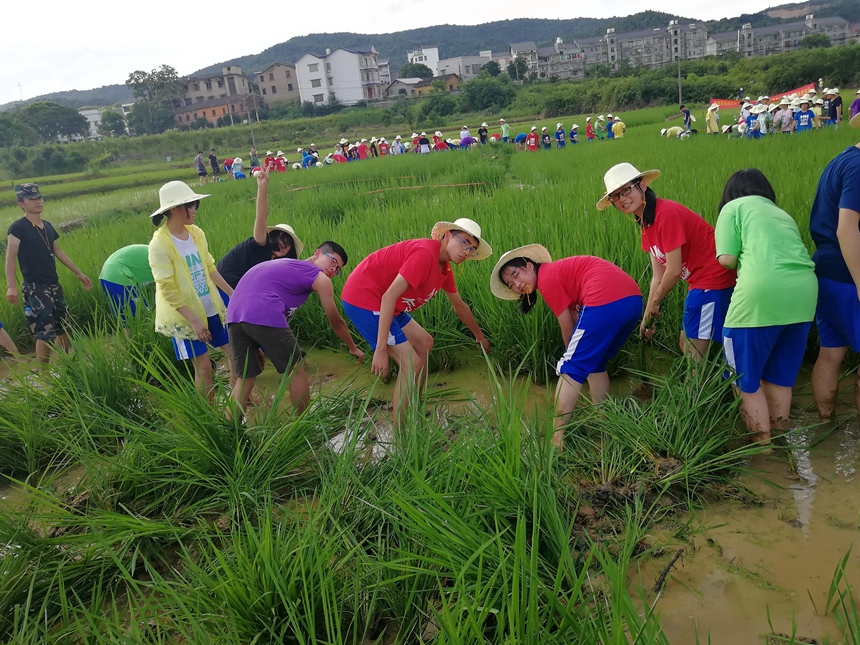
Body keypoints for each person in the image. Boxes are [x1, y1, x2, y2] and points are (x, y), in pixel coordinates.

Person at [340, 218, 492, 427]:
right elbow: (388, 296)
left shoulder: (444, 269)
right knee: (411, 363)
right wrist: (381, 349)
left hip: (389, 304)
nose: (467, 251)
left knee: (425, 343)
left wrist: (480, 336)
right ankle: (402, 437)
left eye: (472, 249)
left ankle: (414, 406)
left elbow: (460, 307)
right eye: (464, 242)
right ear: (447, 235)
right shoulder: (424, 254)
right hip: (364, 299)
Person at [490, 245, 641, 450]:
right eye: (511, 284)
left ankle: (556, 439)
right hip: (632, 301)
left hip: (605, 298)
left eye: (516, 275)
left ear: (528, 266)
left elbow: (567, 325)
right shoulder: (557, 273)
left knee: (571, 367)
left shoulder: (548, 278)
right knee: (596, 364)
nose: (517, 284)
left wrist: (572, 359)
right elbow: (576, 317)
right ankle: (606, 423)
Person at [715, 169, 817, 446]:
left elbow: (725, 259)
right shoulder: (781, 212)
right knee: (780, 378)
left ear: (729, 194)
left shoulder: (731, 208)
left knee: (744, 381)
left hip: (760, 296)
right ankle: (782, 443)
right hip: (804, 295)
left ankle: (763, 451)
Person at [597, 163, 735, 360]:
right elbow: (658, 275)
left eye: (626, 189)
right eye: (615, 196)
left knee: (693, 350)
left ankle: (697, 390)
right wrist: (646, 318)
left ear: (642, 185)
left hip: (713, 279)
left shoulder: (666, 214)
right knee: (689, 345)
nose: (622, 199)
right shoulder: (646, 223)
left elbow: (673, 270)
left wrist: (656, 304)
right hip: (700, 283)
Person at [227, 242, 364, 414]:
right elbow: (336, 322)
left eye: (338, 270)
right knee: (296, 369)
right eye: (333, 262)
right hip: (261, 311)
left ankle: (229, 432)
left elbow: (253, 302)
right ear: (317, 253)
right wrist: (353, 348)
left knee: (244, 380)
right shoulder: (318, 277)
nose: (333, 270)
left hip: (235, 315)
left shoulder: (290, 267)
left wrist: (255, 343)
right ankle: (303, 424)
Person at [148, 181, 234, 402]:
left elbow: (210, 268)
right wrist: (194, 322)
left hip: (210, 307)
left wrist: (233, 294)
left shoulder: (196, 233)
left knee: (235, 354)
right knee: (204, 368)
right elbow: (167, 288)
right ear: (175, 209)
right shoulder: (159, 244)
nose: (195, 209)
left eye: (195, 204)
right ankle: (210, 415)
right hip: (185, 317)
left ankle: (242, 398)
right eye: (191, 205)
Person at [5, 183, 92, 363]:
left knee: (64, 326)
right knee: (44, 332)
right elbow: (10, 258)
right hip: (34, 286)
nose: (38, 201)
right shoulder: (17, 228)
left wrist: (79, 273)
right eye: (32, 199)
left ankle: (69, 364)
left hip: (53, 283)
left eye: (39, 198)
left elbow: (58, 252)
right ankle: (44, 376)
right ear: (21, 203)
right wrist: (11, 286)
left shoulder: (47, 226)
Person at [809, 113, 860, 418]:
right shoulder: (858, 167)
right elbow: (846, 228)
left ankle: (825, 429)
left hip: (826, 273)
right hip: (847, 276)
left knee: (831, 354)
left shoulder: (842, 160)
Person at [216, 168, 301, 290]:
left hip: (238, 289)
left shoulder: (275, 263)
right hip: (223, 287)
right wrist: (262, 187)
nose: (283, 243)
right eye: (280, 238)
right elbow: (261, 218)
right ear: (271, 236)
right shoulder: (261, 245)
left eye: (288, 243)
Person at [99, 244, 154, 319]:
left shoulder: (158, 253)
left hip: (106, 275)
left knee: (123, 317)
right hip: (120, 275)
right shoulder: (167, 260)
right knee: (144, 315)